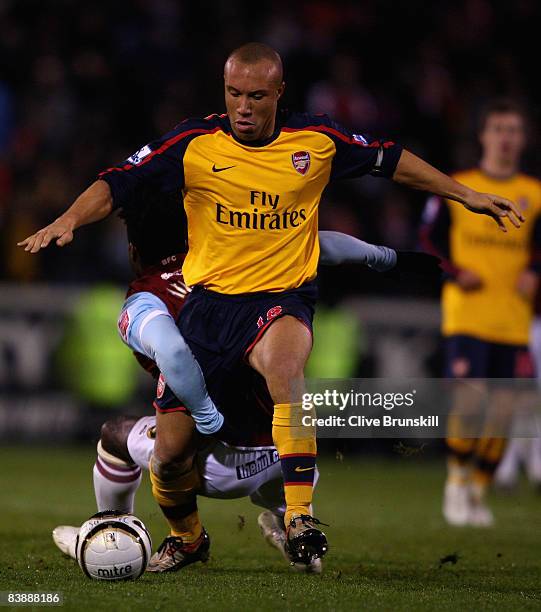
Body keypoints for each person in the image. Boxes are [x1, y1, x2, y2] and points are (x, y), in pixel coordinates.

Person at [18, 43, 524, 563]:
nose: (243, 106)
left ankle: (299, 515)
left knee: (287, 373)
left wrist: (464, 195)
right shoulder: (194, 143)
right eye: (234, 93)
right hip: (208, 308)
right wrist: (68, 220)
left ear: (279, 93)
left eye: (256, 95)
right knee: (169, 458)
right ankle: (189, 540)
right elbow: (118, 182)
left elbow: (390, 160)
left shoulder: (317, 140)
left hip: (282, 299)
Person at [420, 99, 541, 526]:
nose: (506, 138)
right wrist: (455, 271)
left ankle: (478, 491)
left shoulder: (536, 194)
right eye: (498, 129)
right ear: (484, 136)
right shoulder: (459, 187)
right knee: (470, 401)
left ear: (523, 139)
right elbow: (427, 242)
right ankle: (455, 482)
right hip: (466, 314)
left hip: (513, 318)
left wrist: (535, 272)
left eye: (514, 130)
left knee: (505, 413)